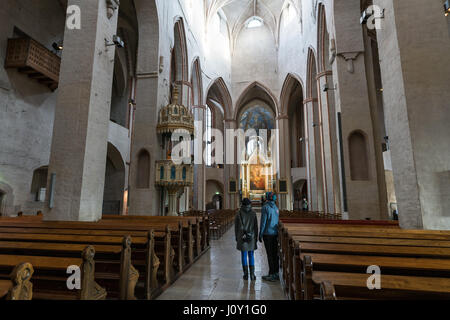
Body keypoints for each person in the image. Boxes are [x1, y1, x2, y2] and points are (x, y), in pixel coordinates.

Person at [235, 198, 258, 281]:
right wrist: (256, 237)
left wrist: (236, 237)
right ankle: (252, 274)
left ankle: (245, 274)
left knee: (244, 255)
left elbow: (236, 227)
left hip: (242, 237)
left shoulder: (238, 213)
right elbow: (256, 227)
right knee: (251, 255)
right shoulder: (253, 213)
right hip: (251, 236)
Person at [259, 192, 280, 282]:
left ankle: (272, 274)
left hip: (268, 234)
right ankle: (276, 273)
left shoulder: (266, 207)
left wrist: (260, 234)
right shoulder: (276, 207)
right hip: (275, 233)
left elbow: (263, 222)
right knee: (275, 254)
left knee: (270, 255)